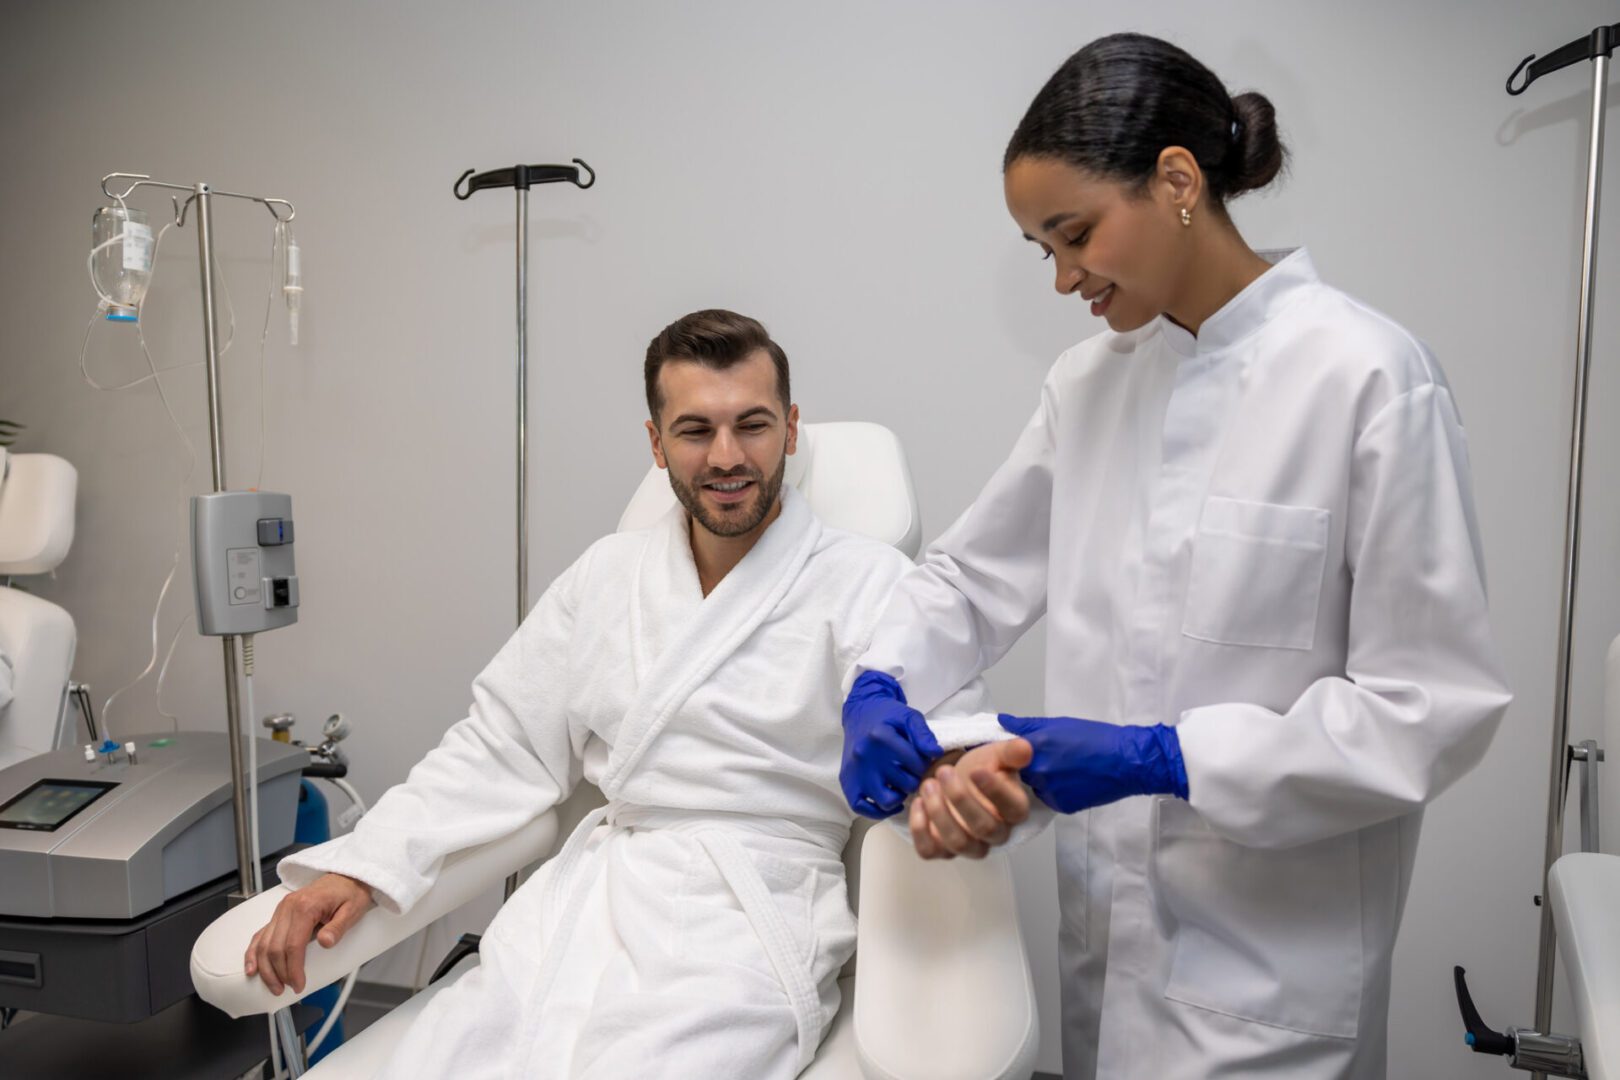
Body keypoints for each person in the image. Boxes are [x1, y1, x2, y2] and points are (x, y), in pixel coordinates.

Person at [839, 33, 1512, 1079]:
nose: (1063, 277)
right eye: (1041, 250)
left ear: (1179, 181)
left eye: (1076, 234)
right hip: (1106, 952)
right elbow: (969, 581)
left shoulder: (1370, 379)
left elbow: (1430, 708)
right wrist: (879, 683)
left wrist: (1170, 757)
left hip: (1270, 978)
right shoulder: (1089, 385)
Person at [245, 309, 1017, 1079]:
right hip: (586, 906)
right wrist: (363, 865)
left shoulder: (872, 583)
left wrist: (967, 771)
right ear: (655, 444)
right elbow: (499, 745)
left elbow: (945, 741)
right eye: (693, 430)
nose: (726, 457)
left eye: (752, 425)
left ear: (790, 427)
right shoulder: (605, 576)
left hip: (748, 915)